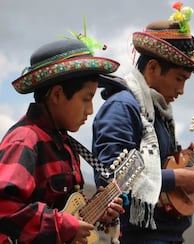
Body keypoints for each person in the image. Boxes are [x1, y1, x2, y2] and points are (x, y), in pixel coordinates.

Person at [92, 2, 194, 244]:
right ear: (152, 67)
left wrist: (191, 159)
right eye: (179, 79)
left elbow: (159, 164)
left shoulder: (156, 111)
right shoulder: (122, 107)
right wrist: (177, 179)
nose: (181, 90)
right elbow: (109, 178)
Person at [0, 38, 125, 243]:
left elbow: (60, 209)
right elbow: (3, 204)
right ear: (57, 94)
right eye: (86, 98)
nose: (90, 110)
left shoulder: (65, 144)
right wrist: (62, 225)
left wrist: (94, 212)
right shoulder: (25, 140)